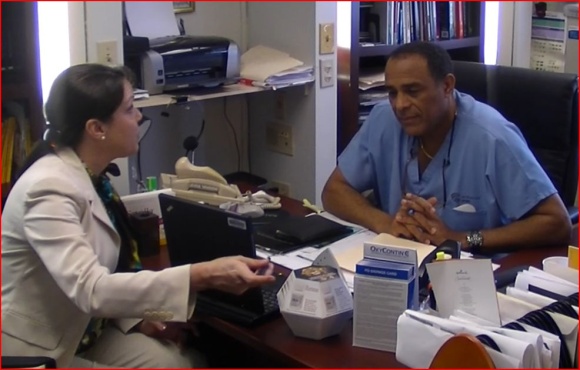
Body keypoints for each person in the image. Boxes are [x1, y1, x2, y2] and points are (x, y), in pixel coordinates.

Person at [1, 63, 276, 368]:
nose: (140, 117)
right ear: (97, 129)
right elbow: (91, 289)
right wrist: (203, 274)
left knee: (183, 362)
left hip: (85, 327)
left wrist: (147, 318)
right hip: (41, 347)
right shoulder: (48, 189)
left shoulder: (91, 177)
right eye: (130, 109)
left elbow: (112, 273)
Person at [322, 41, 571, 253]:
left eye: (412, 91)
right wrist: (385, 223)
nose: (400, 105)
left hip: (475, 270)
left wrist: (462, 239)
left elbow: (557, 222)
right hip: (400, 261)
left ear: (447, 86)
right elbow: (334, 191)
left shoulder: (492, 136)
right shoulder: (383, 119)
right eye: (392, 93)